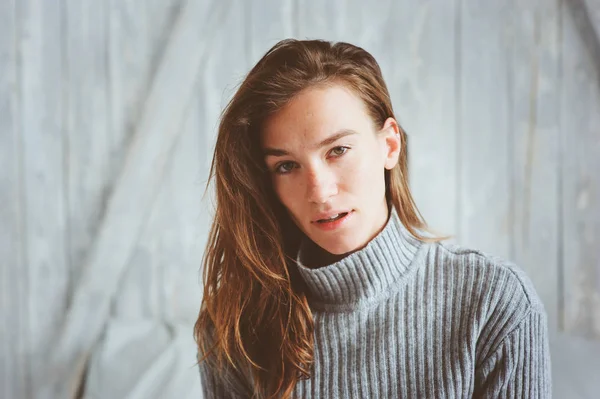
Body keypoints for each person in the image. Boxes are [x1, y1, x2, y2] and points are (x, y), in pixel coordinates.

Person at [194, 38, 552, 399]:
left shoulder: (494, 302)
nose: (318, 192)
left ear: (389, 145)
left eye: (338, 150)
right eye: (286, 166)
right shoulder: (235, 326)